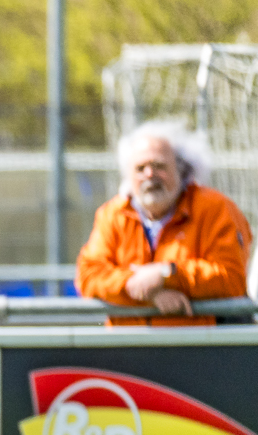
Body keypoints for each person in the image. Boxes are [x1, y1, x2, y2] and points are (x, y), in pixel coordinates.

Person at [77, 119, 253, 326]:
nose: (149, 175)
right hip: (126, 348)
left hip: (197, 346)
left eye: (159, 166)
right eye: (140, 168)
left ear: (181, 169)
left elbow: (231, 278)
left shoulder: (216, 209)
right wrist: (140, 290)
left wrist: (167, 274)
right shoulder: (113, 214)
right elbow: (88, 275)